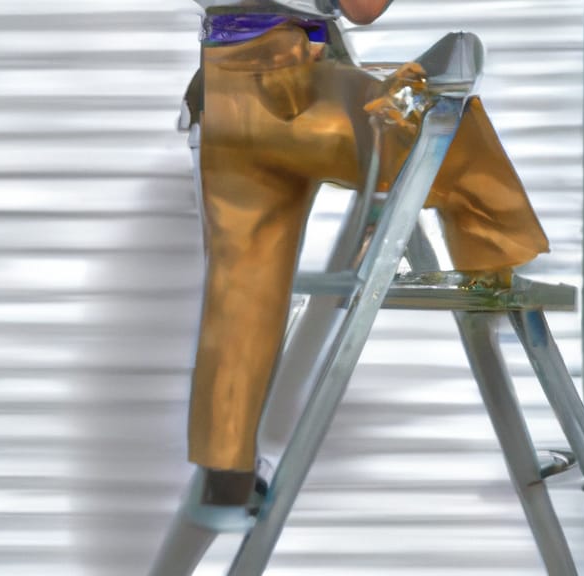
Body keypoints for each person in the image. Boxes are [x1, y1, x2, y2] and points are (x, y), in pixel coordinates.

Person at [186, 0, 549, 509]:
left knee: (241, 282)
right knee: (426, 115)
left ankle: (226, 470)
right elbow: (362, 7)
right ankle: (496, 257)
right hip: (292, 86)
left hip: (222, 88)